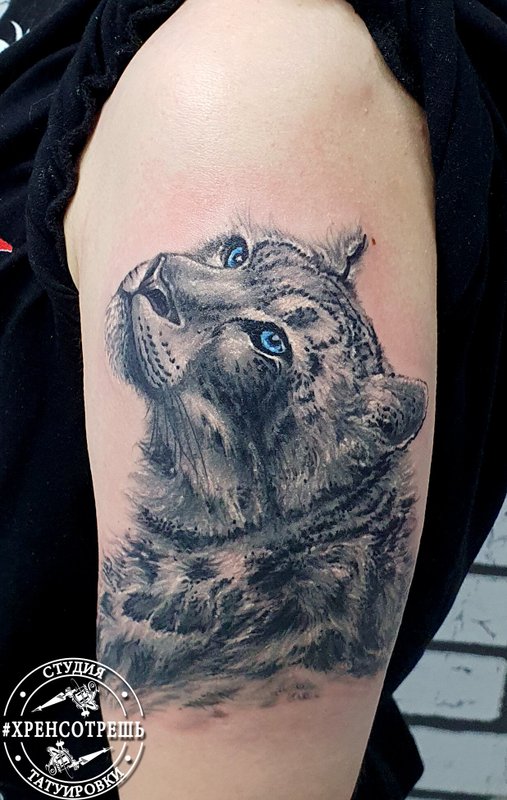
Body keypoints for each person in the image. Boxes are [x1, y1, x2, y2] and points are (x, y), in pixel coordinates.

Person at [1, 1, 506, 798]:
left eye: (269, 341)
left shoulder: (256, 78)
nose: (172, 276)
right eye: (234, 255)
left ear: (355, 432)